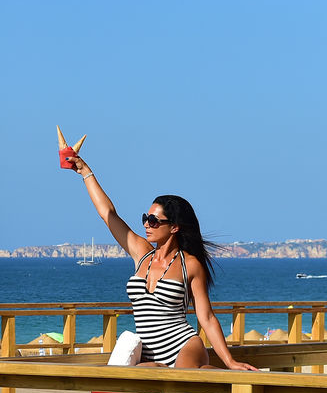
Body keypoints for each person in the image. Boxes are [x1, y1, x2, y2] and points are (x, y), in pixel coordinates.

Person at [67, 152, 256, 371]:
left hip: (184, 346)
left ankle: (223, 382)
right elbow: (107, 213)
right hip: (149, 354)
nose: (147, 224)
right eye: (146, 218)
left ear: (174, 227)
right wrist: (84, 171)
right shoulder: (141, 254)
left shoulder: (191, 265)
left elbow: (206, 317)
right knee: (136, 379)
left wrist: (230, 361)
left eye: (154, 221)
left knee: (181, 383)